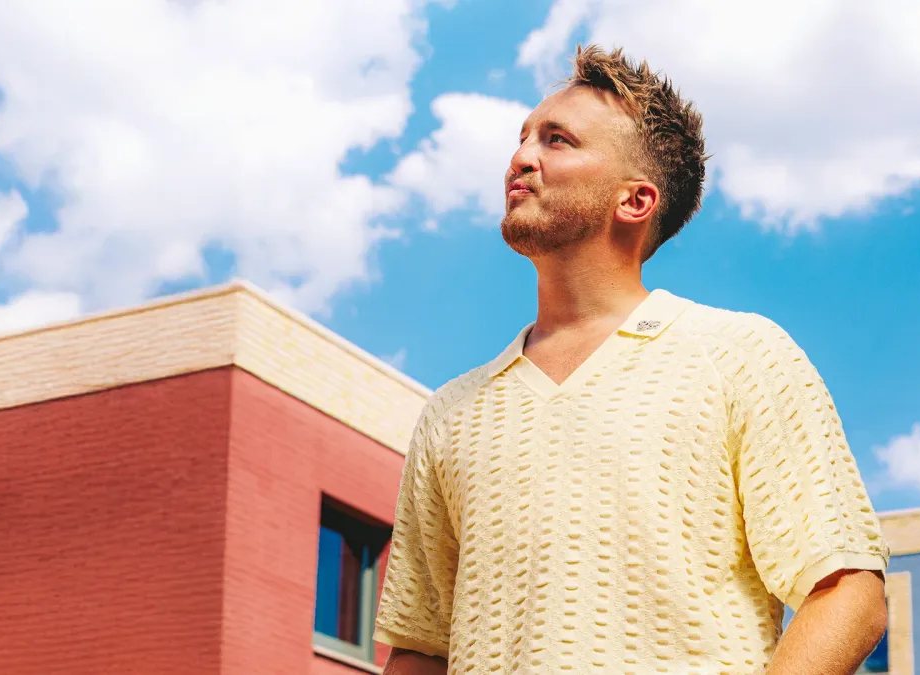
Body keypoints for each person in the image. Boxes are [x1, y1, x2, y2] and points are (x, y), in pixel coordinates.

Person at [374, 45, 890, 675]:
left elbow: (846, 591)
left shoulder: (740, 355)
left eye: (557, 140)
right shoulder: (450, 412)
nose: (521, 157)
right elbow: (421, 647)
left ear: (635, 201)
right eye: (523, 137)